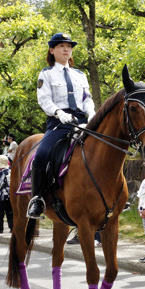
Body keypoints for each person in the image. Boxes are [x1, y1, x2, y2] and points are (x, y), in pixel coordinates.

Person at [26, 32, 96, 219]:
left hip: (82, 121)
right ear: (52, 50)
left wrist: (92, 113)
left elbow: (86, 98)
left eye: (69, 46)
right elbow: (44, 99)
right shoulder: (46, 73)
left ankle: (113, 194)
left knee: (104, 149)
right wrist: (59, 113)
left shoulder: (80, 75)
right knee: (41, 154)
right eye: (61, 46)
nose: (66, 49)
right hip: (59, 123)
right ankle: (38, 199)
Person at [0, 152, 13, 234]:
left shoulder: (0, 172)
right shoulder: (10, 170)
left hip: (3, 195)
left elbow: (0, 183)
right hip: (11, 194)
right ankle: (12, 228)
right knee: (10, 212)